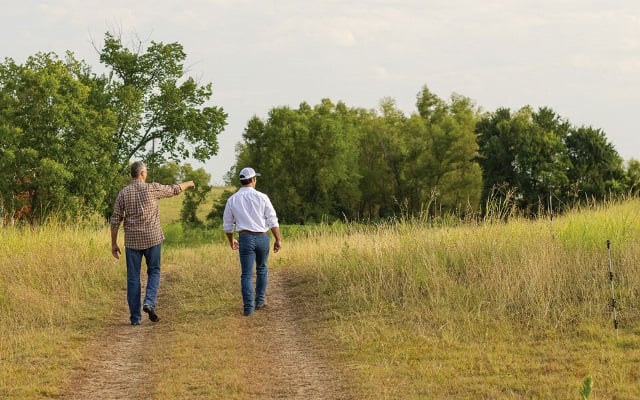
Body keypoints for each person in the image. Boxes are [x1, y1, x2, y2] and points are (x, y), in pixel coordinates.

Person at [110, 161, 195, 325]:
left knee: (133, 278)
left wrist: (114, 243)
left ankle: (135, 318)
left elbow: (115, 220)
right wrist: (188, 183)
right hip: (152, 238)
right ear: (142, 174)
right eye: (146, 172)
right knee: (154, 271)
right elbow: (174, 190)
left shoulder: (123, 193)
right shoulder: (152, 188)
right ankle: (149, 302)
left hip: (133, 241)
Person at [223, 167, 282, 316]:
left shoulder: (232, 199)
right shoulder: (262, 197)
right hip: (262, 237)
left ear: (242, 181)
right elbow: (272, 220)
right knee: (262, 269)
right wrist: (278, 239)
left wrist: (231, 241)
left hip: (245, 238)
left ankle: (248, 309)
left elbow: (228, 226)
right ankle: (260, 301)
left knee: (247, 275)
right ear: (253, 179)